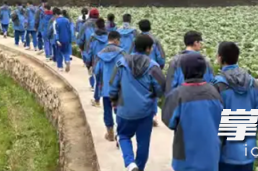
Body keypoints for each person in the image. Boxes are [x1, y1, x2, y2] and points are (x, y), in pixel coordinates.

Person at [109, 34, 167, 171]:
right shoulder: (153, 66)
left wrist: (114, 100)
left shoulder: (121, 63)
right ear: (148, 49)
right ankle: (139, 167)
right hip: (145, 111)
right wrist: (154, 95)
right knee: (143, 143)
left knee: (123, 136)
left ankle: (130, 163)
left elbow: (113, 86)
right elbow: (161, 87)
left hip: (124, 110)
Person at [213, 42, 258, 171]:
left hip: (224, 152)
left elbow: (212, 120)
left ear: (219, 58)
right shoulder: (253, 83)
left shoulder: (218, 85)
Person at [162, 53, 223, 171]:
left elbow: (169, 121)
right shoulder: (214, 92)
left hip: (185, 156)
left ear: (184, 70)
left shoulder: (178, 94)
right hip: (211, 154)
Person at [93, 30, 125, 141]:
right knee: (119, 111)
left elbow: (96, 71)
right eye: (119, 40)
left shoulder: (100, 54)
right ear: (116, 40)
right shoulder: (122, 54)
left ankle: (110, 132)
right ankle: (120, 134)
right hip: (118, 89)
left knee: (107, 110)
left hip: (105, 88)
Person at [165, 31, 214, 95]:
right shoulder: (204, 60)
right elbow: (211, 82)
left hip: (182, 99)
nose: (201, 45)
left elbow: (170, 87)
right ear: (196, 43)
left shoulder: (176, 61)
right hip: (203, 98)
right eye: (200, 42)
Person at [85, 18, 109, 106]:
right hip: (108, 61)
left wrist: (88, 63)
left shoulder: (93, 37)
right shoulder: (109, 36)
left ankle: (97, 100)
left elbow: (90, 51)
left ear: (96, 26)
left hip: (97, 61)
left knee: (98, 81)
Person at [77, 8, 100, 88]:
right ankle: (98, 84)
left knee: (89, 66)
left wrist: (80, 46)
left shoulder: (85, 25)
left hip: (88, 48)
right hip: (100, 49)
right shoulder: (102, 24)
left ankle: (92, 84)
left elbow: (81, 38)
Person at [51, 7, 73, 72]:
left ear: (55, 14)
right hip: (67, 39)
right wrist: (70, 40)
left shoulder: (55, 22)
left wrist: (57, 40)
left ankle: (60, 67)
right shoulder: (67, 20)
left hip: (59, 39)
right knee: (66, 52)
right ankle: (67, 60)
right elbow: (69, 31)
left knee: (59, 53)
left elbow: (56, 32)